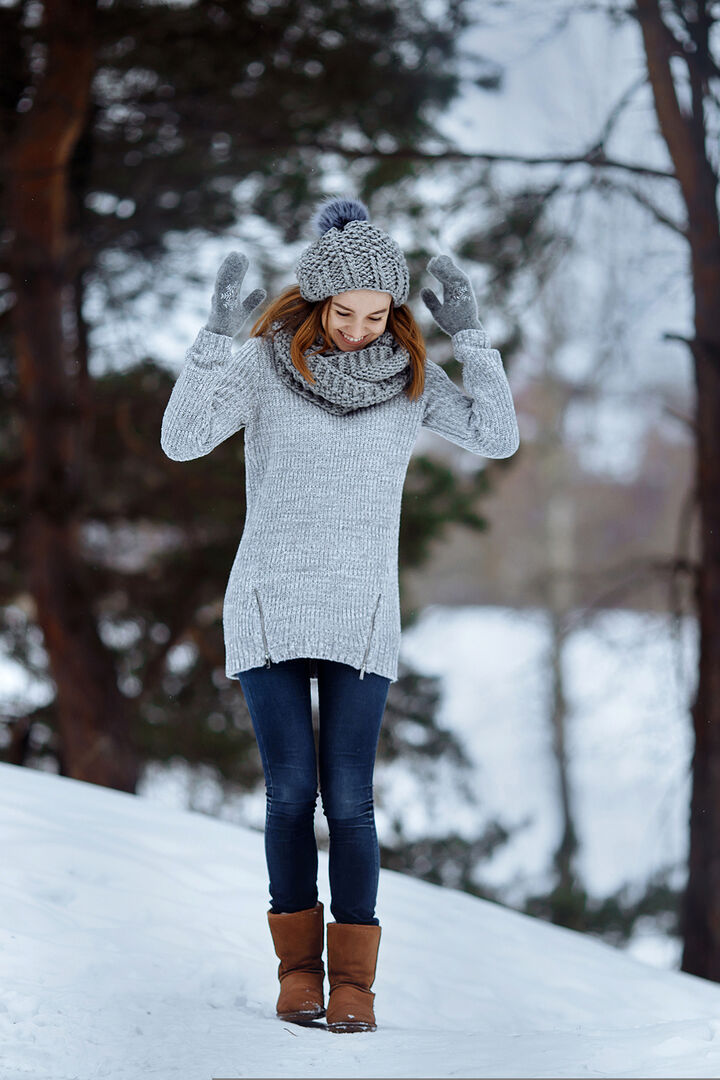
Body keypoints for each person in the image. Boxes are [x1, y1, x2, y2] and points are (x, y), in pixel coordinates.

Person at [160, 196, 520, 1033]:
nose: (361, 328)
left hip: (360, 616)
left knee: (349, 802)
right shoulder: (262, 366)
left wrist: (473, 337)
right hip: (268, 607)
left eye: (378, 313)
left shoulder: (411, 385)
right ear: (316, 303)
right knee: (290, 795)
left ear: (396, 313)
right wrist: (215, 340)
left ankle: (354, 985)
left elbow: (497, 437)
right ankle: (298, 974)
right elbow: (182, 439)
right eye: (346, 312)